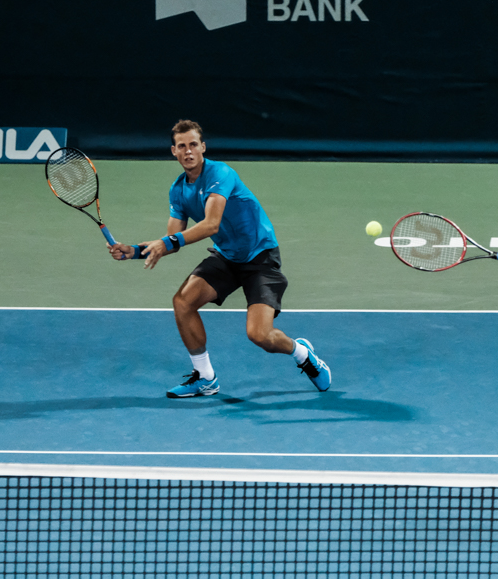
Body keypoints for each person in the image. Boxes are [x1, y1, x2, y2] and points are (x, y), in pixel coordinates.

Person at [107, 119, 331, 398]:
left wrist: (165, 243)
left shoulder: (220, 173)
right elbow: (173, 241)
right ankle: (205, 378)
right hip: (227, 257)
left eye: (193, 145)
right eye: (181, 146)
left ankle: (303, 355)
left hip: (260, 256)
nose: (188, 151)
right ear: (173, 151)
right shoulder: (178, 190)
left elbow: (211, 224)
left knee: (260, 335)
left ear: (202, 147)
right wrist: (133, 251)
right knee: (183, 302)